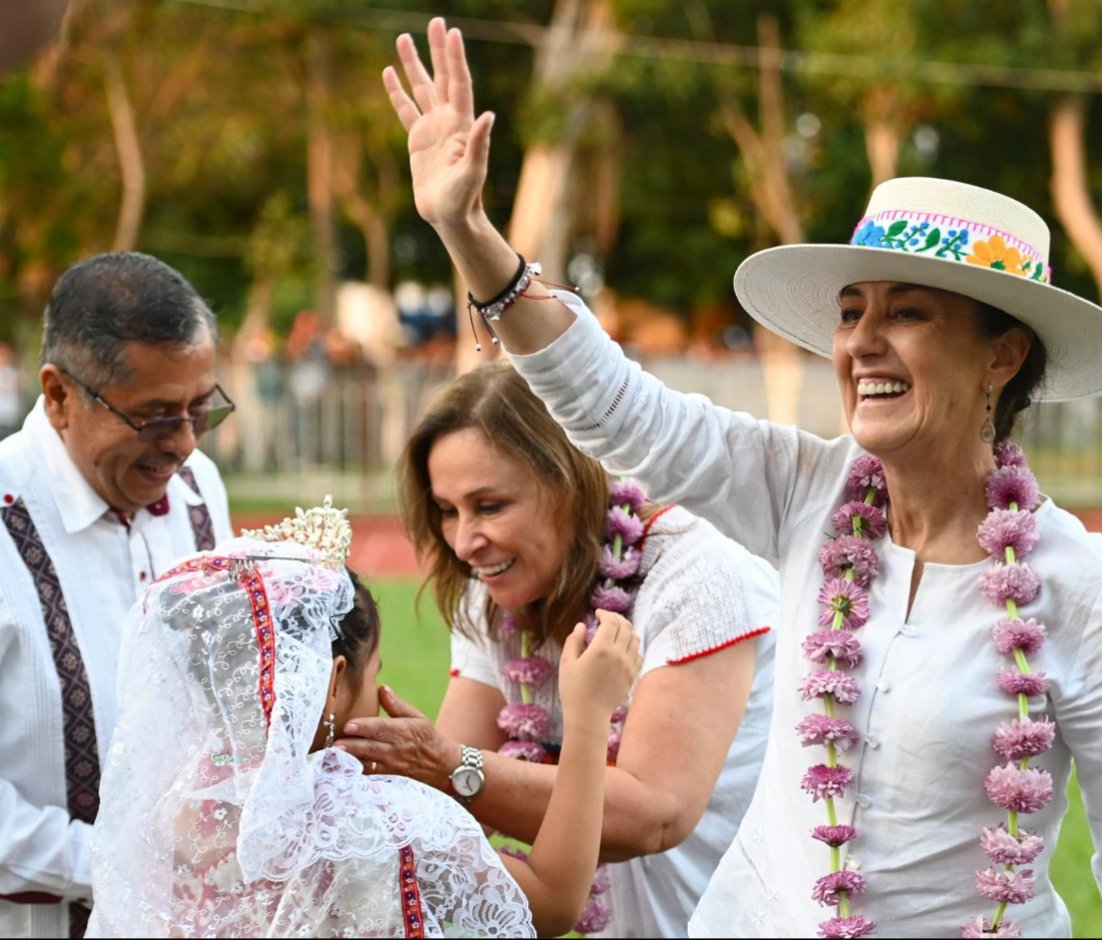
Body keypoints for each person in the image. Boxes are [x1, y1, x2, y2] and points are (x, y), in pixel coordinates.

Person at [377, 19, 1102, 938]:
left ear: (1002, 355)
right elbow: (617, 408)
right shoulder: (804, 493)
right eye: (853, 312)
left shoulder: (1086, 591)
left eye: (910, 312)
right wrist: (467, 231)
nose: (861, 341)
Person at [336, 361, 779, 938]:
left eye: (489, 505)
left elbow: (654, 815)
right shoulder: (488, 594)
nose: (465, 542)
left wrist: (448, 766)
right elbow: (447, 795)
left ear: (568, 480)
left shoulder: (700, 574)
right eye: (447, 510)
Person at [85, 501, 644, 938]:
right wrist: (590, 717)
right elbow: (552, 899)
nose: (380, 689)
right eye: (375, 669)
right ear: (330, 683)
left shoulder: (179, 808)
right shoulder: (381, 819)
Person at [0, 251, 236, 939]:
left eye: (201, 410)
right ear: (58, 395)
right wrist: (123, 867)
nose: (185, 444)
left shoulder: (200, 492)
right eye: (155, 416)